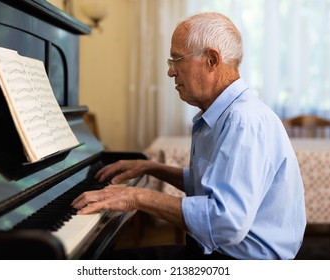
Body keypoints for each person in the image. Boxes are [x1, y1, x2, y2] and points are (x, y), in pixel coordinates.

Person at [72, 11, 306, 260]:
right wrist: (150, 167)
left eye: (176, 60)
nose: (170, 72)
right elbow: (211, 184)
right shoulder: (225, 113)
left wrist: (135, 197)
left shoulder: (243, 120)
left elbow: (225, 221)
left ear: (211, 60)